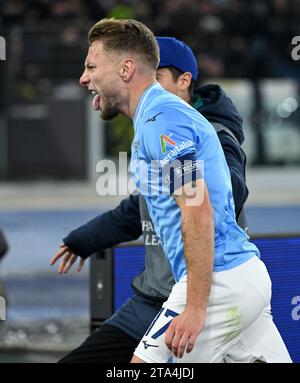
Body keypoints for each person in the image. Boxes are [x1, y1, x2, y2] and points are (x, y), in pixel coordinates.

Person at [51, 21, 290, 363]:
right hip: (239, 278)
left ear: (126, 68)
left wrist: (194, 307)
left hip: (218, 284)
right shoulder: (159, 115)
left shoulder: (161, 120)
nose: (83, 78)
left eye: (91, 67)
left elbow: (196, 206)